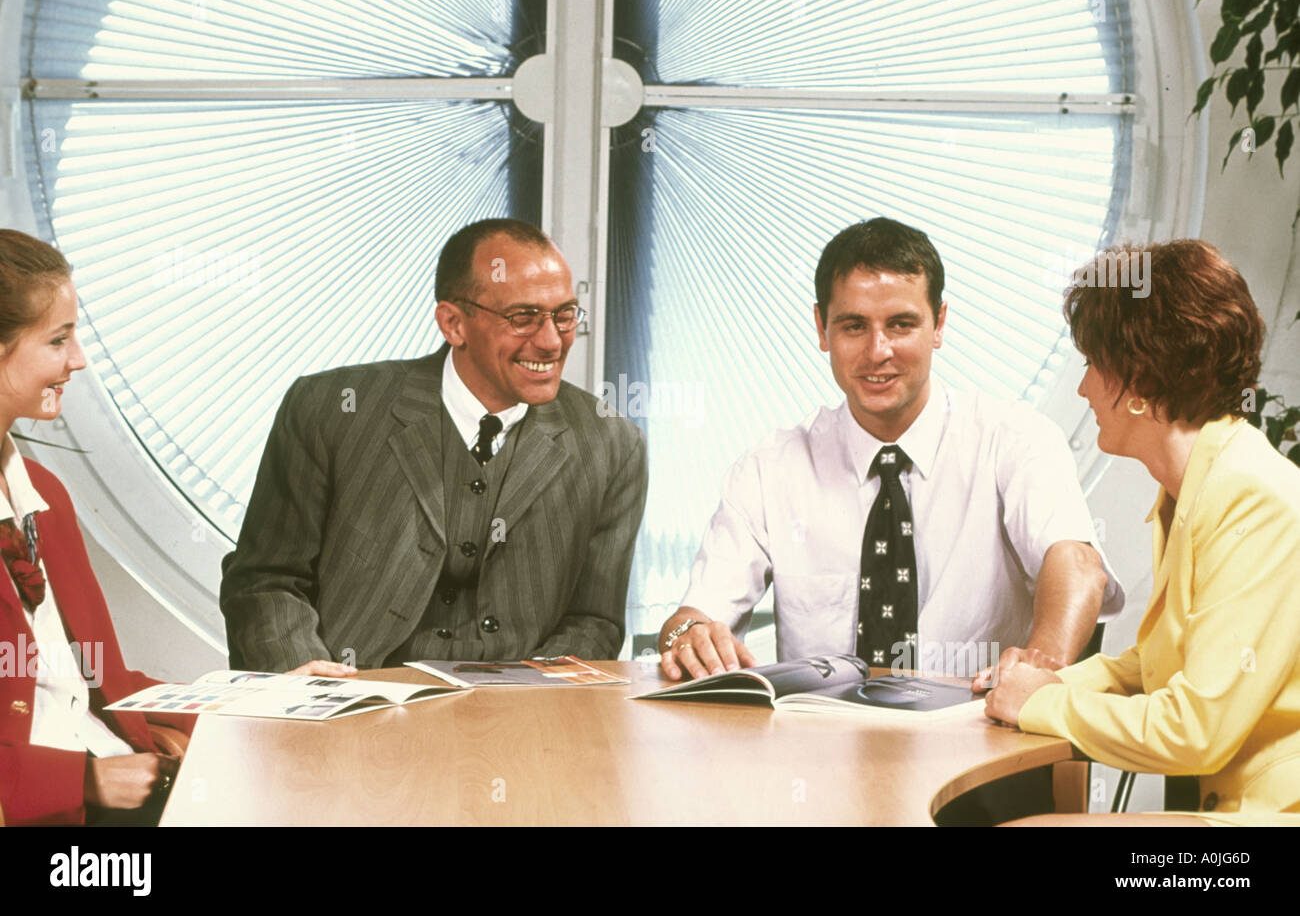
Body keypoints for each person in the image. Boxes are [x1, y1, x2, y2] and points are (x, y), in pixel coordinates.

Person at [658, 218, 1122, 689]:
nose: (878, 352)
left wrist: (1037, 670)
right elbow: (696, 612)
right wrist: (688, 634)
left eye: (901, 325)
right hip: (819, 748)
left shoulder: (1015, 438)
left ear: (938, 324)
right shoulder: (767, 469)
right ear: (821, 329)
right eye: (854, 326)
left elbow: (1077, 565)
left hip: (979, 740)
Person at [221, 218, 648, 672]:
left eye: (564, 316)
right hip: (350, 705)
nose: (549, 341)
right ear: (453, 323)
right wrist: (302, 671)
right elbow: (265, 580)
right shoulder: (329, 410)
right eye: (522, 318)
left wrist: (527, 695)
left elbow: (594, 621)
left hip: (516, 720)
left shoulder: (613, 445)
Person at [986, 240, 1300, 823]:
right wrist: (1047, 679)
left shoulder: (1253, 499)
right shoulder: (1198, 487)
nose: (1083, 390)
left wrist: (1041, 704)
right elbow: (1154, 665)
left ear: (1138, 376)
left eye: (1091, 364)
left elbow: (1194, 731)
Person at [0, 229, 186, 825]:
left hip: (114, 779)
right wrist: (88, 782)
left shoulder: (44, 494)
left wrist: (269, 701)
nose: (78, 359)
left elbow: (101, 673)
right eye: (59, 339)